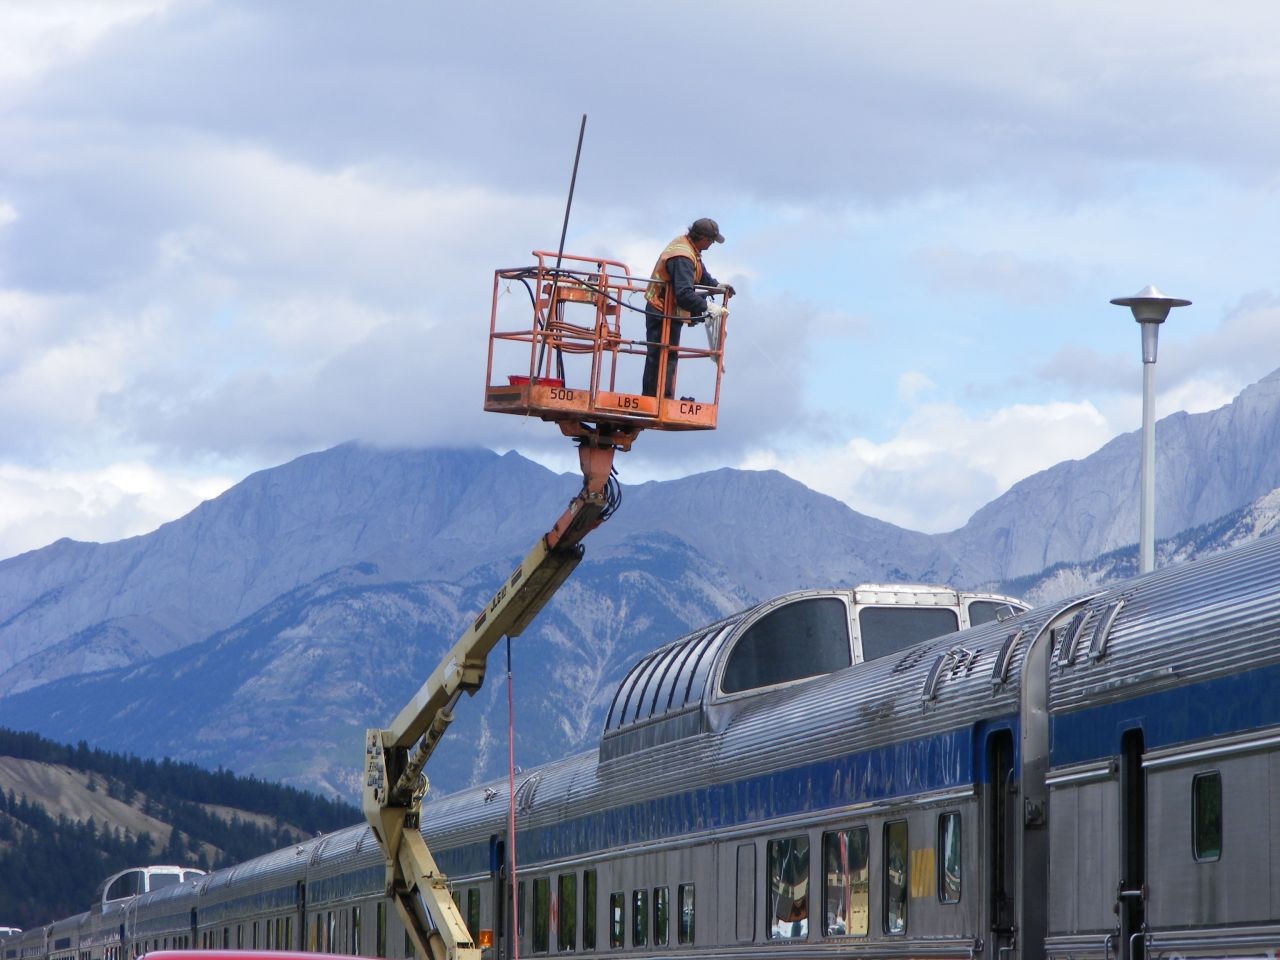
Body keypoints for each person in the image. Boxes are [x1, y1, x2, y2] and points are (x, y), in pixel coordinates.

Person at [641, 218, 735, 398]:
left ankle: (661, 397)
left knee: (668, 355)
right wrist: (709, 307)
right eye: (711, 242)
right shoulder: (683, 256)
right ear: (704, 239)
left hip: (668, 310)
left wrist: (717, 286)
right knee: (661, 355)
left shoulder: (688, 247)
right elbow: (684, 294)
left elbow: (700, 274)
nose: (711, 245)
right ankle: (655, 399)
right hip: (661, 311)